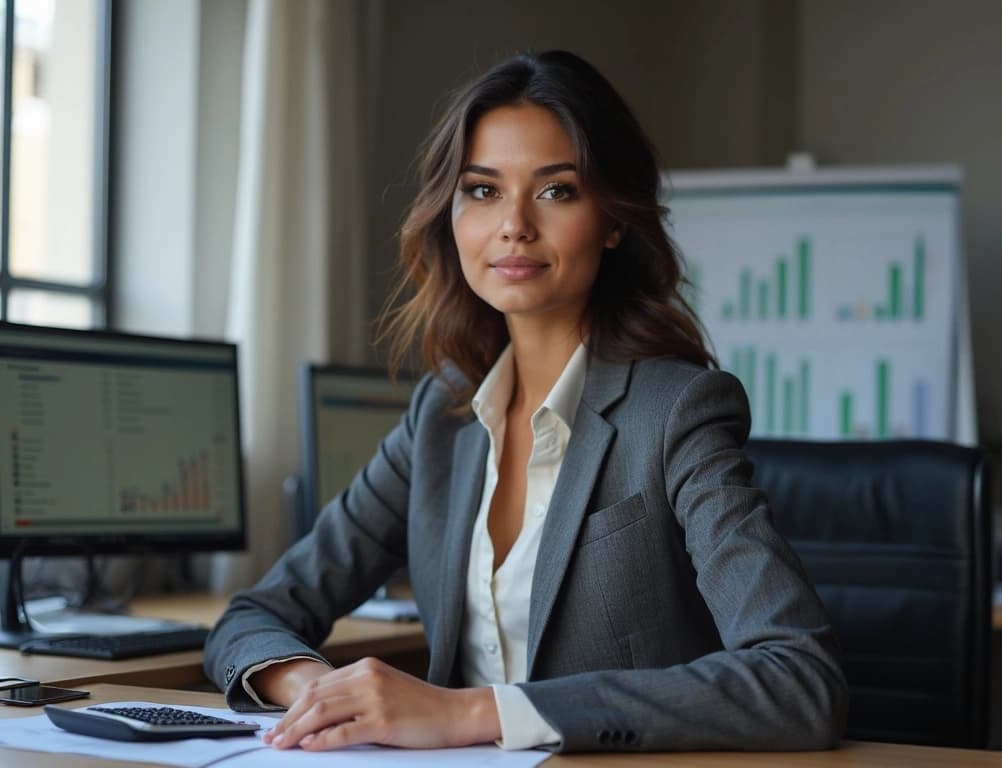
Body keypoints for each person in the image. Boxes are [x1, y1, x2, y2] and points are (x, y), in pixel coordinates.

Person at [203, 49, 847, 754]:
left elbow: (800, 681)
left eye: (556, 191)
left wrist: (472, 713)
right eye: (482, 190)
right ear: (450, 214)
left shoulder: (677, 412)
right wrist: (316, 694)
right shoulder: (440, 418)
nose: (514, 225)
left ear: (613, 219)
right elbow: (255, 615)